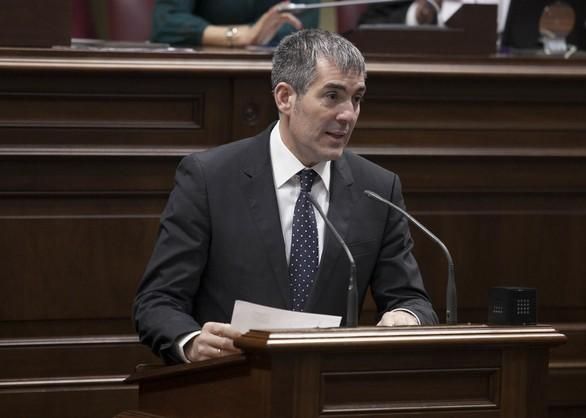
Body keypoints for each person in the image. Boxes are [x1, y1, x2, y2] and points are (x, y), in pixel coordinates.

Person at [133, 29, 438, 365]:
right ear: (285, 98)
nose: (348, 114)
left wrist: (407, 317)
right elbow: (158, 301)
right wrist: (191, 343)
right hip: (227, 385)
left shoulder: (377, 189)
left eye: (357, 98)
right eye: (332, 96)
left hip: (326, 392)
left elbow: (411, 299)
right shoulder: (210, 178)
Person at [360, 0, 586, 53]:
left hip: (516, 92)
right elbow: (365, 29)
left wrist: (560, 21)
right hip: (428, 88)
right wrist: (419, 14)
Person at [151, 0, 320, 47]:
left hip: (275, 71)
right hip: (200, 70)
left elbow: (303, 25)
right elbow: (167, 22)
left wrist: (264, 33)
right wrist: (241, 35)